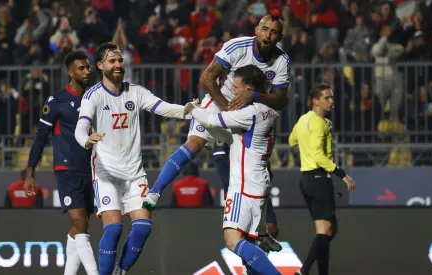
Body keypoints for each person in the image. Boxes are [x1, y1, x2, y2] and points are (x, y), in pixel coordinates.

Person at [144, 10, 290, 243]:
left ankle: (267, 225)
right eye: (265, 29)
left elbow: (281, 99)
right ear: (257, 30)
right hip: (220, 101)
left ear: (279, 37)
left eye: (274, 33)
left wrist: (253, 96)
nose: (268, 35)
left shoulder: (281, 61)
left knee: (257, 163)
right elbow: (207, 78)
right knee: (194, 143)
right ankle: (155, 191)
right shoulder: (236, 47)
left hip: (249, 110)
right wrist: (225, 105)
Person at [74, 42, 191, 275]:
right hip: (106, 172)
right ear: (100, 65)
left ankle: (121, 270)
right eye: (112, 61)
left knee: (143, 228)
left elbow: (162, 107)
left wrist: (186, 110)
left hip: (134, 173)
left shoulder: (135, 92)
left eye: (120, 60)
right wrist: (85, 139)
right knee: (114, 229)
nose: (118, 64)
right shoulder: (93, 95)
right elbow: (81, 126)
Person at [185, 64, 281, 275]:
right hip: (259, 184)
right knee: (248, 242)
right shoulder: (270, 111)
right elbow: (239, 137)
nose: (233, 91)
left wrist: (192, 108)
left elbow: (210, 119)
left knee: (233, 240)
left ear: (249, 90)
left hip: (243, 186)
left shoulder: (250, 113)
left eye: (236, 87)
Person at [24, 51, 99, 275]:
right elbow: (40, 137)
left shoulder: (94, 98)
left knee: (80, 227)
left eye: (88, 67)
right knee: (80, 223)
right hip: (67, 169)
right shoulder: (56, 101)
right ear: (70, 72)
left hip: (92, 169)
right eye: (81, 68)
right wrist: (30, 173)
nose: (87, 71)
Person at [289, 84, 356, 275]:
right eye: (327, 98)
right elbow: (318, 156)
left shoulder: (304, 120)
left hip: (307, 179)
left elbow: (292, 140)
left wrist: (306, 141)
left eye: (332, 97)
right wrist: (343, 175)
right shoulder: (318, 122)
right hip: (318, 177)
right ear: (315, 101)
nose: (331, 101)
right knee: (324, 230)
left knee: (329, 229)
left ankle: (303, 271)